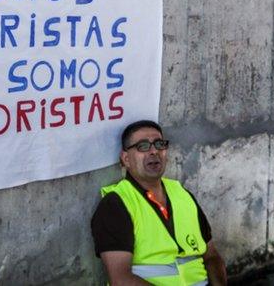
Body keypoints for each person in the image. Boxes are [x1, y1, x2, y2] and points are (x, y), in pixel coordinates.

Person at [91, 120, 227, 285]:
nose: (154, 151)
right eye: (143, 146)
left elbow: (211, 255)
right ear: (126, 159)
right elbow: (121, 279)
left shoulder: (181, 194)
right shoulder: (116, 204)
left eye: (159, 144)